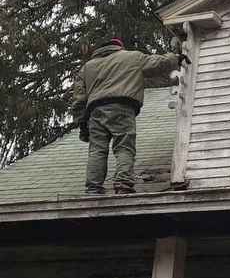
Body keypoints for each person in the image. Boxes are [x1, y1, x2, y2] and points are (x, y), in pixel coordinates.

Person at [71, 36, 190, 195]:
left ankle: (93, 188)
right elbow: (157, 62)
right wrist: (175, 58)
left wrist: (82, 123)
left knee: (97, 150)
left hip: (95, 111)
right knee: (124, 146)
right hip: (122, 106)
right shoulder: (131, 57)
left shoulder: (87, 67)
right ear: (119, 47)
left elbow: (79, 98)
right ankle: (123, 183)